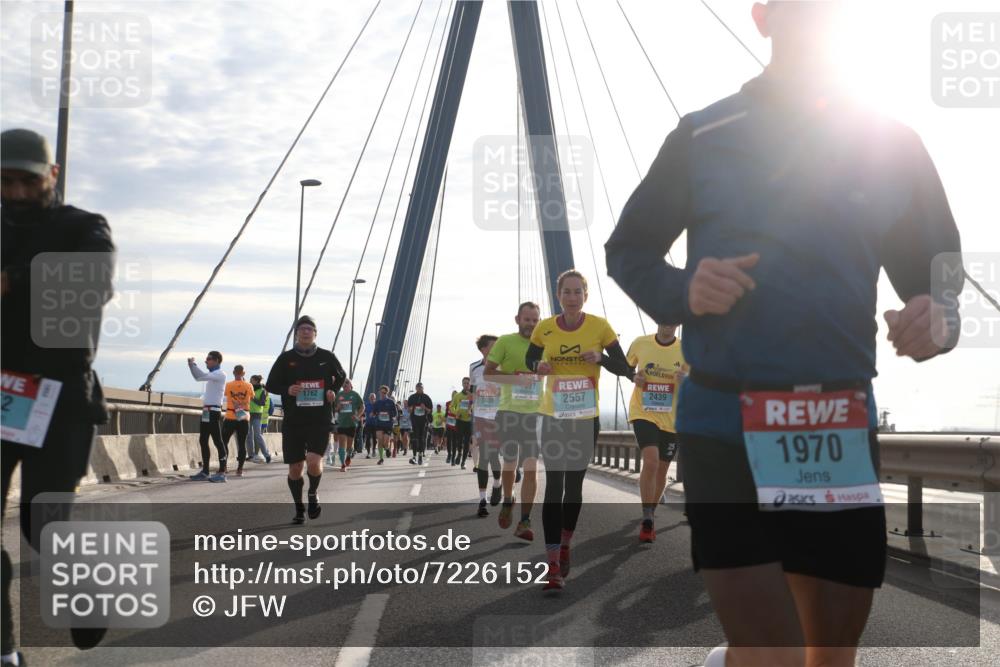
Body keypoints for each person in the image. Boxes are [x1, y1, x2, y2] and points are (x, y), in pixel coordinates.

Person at [605, 3, 962, 664]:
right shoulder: (704, 134)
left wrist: (936, 317)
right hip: (723, 421)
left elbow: (938, 273)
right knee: (773, 649)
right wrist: (682, 290)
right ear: (763, 17)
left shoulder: (891, 144)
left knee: (826, 655)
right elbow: (628, 249)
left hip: (831, 422)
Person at [1, 127, 115, 664]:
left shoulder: (83, 228)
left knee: (41, 523)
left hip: (59, 399)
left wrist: (13, 280)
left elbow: (89, 283)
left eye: (27, 180)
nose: (17, 192)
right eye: (6, 181)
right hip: (2, 394)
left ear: (51, 176)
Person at [526, 270, 630, 592]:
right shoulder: (544, 329)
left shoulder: (600, 327)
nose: (572, 297)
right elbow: (531, 359)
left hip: (586, 418)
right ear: (558, 296)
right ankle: (553, 564)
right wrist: (539, 367)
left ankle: (567, 541)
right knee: (554, 485)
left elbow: (625, 368)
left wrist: (601, 358)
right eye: (566, 292)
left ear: (586, 295)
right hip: (554, 415)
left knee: (573, 487)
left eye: (577, 292)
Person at [266, 315, 346, 524]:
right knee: (295, 468)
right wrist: (287, 389)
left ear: (315, 333)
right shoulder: (286, 358)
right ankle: (299, 508)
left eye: (309, 329)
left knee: (313, 461)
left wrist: (332, 390)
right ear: (297, 333)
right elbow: (270, 384)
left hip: (319, 419)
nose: (305, 332)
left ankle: (313, 493)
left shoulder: (327, 357)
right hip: (294, 420)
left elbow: (341, 376)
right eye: (301, 329)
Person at [485, 302, 543, 540]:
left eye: (535, 320)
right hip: (508, 412)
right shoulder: (506, 342)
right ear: (517, 319)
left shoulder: (545, 345)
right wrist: (516, 380)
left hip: (535, 414)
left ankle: (525, 521)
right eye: (527, 319)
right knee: (510, 463)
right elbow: (489, 373)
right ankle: (509, 499)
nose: (530, 324)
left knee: (531, 468)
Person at [625, 324, 687, 543]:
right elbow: (625, 367)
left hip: (672, 419)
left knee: (661, 469)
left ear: (677, 323)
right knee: (650, 462)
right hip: (644, 413)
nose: (667, 324)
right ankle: (648, 518)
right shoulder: (641, 343)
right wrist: (634, 377)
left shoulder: (686, 349)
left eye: (672, 320)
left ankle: (651, 506)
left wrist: (686, 381)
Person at [470, 335, 503, 517]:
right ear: (483, 349)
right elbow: (474, 392)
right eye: (494, 346)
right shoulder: (474, 368)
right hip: (481, 418)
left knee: (493, 457)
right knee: (484, 457)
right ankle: (482, 501)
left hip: (498, 418)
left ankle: (497, 484)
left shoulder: (503, 367)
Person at [187, 352, 228, 481]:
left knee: (218, 441)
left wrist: (193, 364)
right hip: (206, 411)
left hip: (214, 411)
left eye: (208, 359)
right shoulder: (212, 376)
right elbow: (198, 378)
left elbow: (201, 376)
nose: (206, 361)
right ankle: (205, 471)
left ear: (216, 361)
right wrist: (191, 366)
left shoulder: (220, 374)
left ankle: (222, 473)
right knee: (203, 440)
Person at [221, 365, 254, 478]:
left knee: (224, 441)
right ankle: (239, 469)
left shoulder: (229, 385)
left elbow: (225, 394)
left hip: (230, 415)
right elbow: (252, 397)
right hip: (244, 417)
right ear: (244, 373)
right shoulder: (249, 385)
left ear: (233, 372)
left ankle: (224, 466)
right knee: (241, 443)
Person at [333, 379, 364, 472]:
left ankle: (348, 455)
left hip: (352, 423)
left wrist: (357, 416)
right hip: (341, 423)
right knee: (342, 444)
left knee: (349, 446)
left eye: (347, 383)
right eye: (344, 383)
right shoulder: (339, 395)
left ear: (351, 385)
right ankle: (343, 464)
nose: (345, 384)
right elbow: (334, 408)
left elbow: (363, 407)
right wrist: (337, 408)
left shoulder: (355, 395)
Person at [450, 378, 474, 469]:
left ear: (470, 384)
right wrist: (456, 413)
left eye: (468, 383)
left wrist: (471, 411)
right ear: (462, 384)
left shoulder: (472, 396)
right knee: (459, 440)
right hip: (459, 420)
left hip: (469, 421)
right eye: (464, 383)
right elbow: (451, 407)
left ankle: (463, 462)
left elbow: (477, 406)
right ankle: (459, 453)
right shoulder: (457, 396)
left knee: (467, 442)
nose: (466, 384)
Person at [407, 383, 434, 465]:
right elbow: (409, 410)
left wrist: (424, 408)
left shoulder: (426, 398)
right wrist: (411, 409)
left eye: (421, 387)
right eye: (418, 387)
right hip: (414, 420)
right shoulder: (412, 397)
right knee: (415, 438)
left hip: (423, 421)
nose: (419, 389)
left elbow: (430, 411)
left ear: (423, 388)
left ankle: (420, 455)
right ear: (416, 388)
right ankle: (414, 455)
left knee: (422, 438)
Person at [248, 374, 272, 463]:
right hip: (248, 413)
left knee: (258, 435)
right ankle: (251, 455)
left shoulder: (263, 390)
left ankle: (266, 455)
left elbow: (262, 403)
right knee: (249, 435)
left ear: (256, 381)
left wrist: (253, 398)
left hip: (257, 415)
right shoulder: (249, 388)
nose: (250, 381)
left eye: (251, 380)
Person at [372, 385, 397, 465]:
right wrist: (372, 414)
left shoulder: (391, 402)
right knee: (380, 440)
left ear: (387, 393)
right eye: (381, 392)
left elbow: (395, 413)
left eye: (384, 392)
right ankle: (381, 458)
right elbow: (374, 412)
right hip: (379, 424)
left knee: (385, 442)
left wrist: (388, 414)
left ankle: (387, 449)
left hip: (388, 425)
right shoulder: (377, 403)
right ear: (379, 392)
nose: (382, 394)